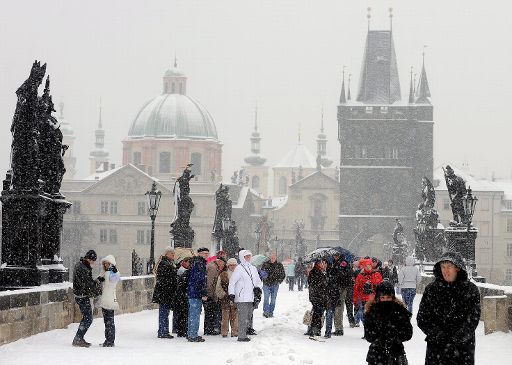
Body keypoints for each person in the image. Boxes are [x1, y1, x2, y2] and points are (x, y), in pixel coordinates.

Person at [417, 251, 480, 365]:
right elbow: (422, 318)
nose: (445, 271)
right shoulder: (431, 290)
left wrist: (458, 338)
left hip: (462, 349)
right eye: (443, 267)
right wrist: (438, 335)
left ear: (458, 268)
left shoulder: (471, 290)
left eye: (449, 267)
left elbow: (473, 318)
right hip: (436, 349)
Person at [364, 281, 413, 365]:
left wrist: (395, 338)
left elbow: (408, 332)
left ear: (392, 297)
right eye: (382, 297)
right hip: (376, 354)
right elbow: (368, 334)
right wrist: (380, 339)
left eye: (388, 297)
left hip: (396, 353)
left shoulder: (400, 310)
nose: (385, 300)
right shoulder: (372, 311)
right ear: (378, 298)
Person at [228, 249, 263, 342]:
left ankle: (245, 332)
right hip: (242, 297)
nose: (248, 258)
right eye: (246, 256)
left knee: (248, 316)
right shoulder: (239, 268)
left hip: (251, 296)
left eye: (249, 256)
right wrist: (231, 293)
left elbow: (258, 281)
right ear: (242, 257)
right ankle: (241, 336)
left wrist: (258, 288)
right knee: (242, 317)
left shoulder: (253, 268)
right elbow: (232, 283)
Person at [72, 250, 101, 347]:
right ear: (89, 259)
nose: (94, 263)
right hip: (82, 296)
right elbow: (88, 284)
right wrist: (97, 285)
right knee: (88, 318)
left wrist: (95, 282)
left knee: (87, 317)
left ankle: (79, 337)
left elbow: (87, 282)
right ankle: (78, 338)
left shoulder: (81, 266)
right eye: (93, 260)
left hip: (81, 295)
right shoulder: (83, 268)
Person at [353, 258, 383, 338]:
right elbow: (356, 288)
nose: (368, 267)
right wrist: (355, 300)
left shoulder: (376, 274)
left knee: (371, 316)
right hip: (363, 298)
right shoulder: (360, 276)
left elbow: (380, 286)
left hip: (372, 298)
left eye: (369, 266)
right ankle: (367, 332)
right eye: (366, 266)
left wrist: (372, 283)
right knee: (364, 316)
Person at [152, 246, 177, 339]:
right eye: (172, 253)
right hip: (164, 292)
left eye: (174, 254)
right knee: (164, 313)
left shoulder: (167, 263)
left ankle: (163, 330)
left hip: (165, 292)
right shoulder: (165, 264)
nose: (173, 255)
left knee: (165, 313)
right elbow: (165, 278)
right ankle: (163, 331)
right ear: (167, 254)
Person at [97, 255, 121, 347]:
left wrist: (113, 272)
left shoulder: (113, 273)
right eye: (104, 263)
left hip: (110, 299)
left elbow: (113, 281)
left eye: (107, 263)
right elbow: (100, 279)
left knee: (110, 322)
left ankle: (110, 341)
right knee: (106, 321)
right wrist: (103, 274)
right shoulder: (105, 272)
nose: (105, 265)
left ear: (111, 263)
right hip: (105, 299)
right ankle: (107, 339)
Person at [187, 247, 209, 342]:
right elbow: (199, 280)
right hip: (195, 293)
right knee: (195, 314)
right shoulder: (199, 264)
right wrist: (203, 293)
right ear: (199, 254)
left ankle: (191, 333)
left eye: (207, 253)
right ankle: (193, 335)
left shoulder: (197, 263)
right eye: (204, 253)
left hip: (193, 292)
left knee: (193, 314)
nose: (206, 255)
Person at [216, 258, 238, 338]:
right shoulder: (223, 274)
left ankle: (235, 332)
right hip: (225, 299)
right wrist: (224, 295)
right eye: (231, 265)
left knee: (235, 317)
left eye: (234, 265)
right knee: (225, 317)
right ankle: (224, 332)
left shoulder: (239, 274)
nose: (232, 266)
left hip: (236, 299)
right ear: (228, 265)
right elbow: (218, 287)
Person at [333, 254, 356, 334]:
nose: (334, 257)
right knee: (344, 306)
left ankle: (339, 329)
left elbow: (343, 275)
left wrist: (336, 275)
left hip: (342, 288)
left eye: (335, 256)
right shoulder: (339, 263)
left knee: (339, 308)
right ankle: (341, 327)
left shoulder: (342, 263)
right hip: (344, 287)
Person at [204, 256, 225, 335]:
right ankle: (209, 330)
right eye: (222, 264)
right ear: (219, 261)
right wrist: (210, 295)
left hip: (210, 294)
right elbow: (210, 283)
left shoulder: (212, 266)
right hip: (210, 295)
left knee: (209, 313)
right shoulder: (213, 268)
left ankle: (209, 329)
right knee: (210, 312)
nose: (222, 266)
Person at [260, 253, 286, 318]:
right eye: (271, 258)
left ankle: (271, 312)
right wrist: (263, 277)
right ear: (270, 257)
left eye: (274, 258)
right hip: (266, 284)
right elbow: (261, 273)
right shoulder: (265, 264)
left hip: (275, 285)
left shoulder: (279, 265)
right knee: (266, 298)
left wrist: (279, 281)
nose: (272, 259)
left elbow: (283, 274)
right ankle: (266, 312)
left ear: (276, 258)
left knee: (273, 299)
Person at [307, 259, 328, 337]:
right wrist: (322, 283)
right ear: (318, 264)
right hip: (316, 296)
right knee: (317, 312)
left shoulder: (321, 271)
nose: (322, 264)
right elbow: (312, 283)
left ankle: (316, 329)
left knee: (319, 312)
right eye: (321, 263)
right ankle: (314, 329)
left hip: (319, 296)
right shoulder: (315, 271)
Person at [174, 256, 191, 337]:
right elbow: (181, 284)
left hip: (181, 294)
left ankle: (180, 330)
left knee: (181, 314)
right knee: (182, 313)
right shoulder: (182, 271)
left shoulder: (183, 271)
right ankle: (181, 330)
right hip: (182, 295)